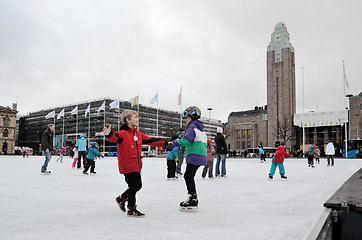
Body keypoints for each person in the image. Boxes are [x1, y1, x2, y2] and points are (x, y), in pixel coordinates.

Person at [103, 110, 168, 217]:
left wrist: (165, 143)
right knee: (133, 186)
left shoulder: (138, 134)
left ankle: (122, 198)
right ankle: (131, 209)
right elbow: (114, 137)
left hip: (136, 165)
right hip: (127, 165)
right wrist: (109, 134)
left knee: (138, 185)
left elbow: (151, 140)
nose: (137, 119)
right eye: (135, 117)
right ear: (128, 120)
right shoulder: (123, 134)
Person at [169, 106, 207, 211]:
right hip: (201, 155)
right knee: (189, 176)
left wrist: (173, 144)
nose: (185, 120)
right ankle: (192, 197)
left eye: (186, 118)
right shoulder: (201, 129)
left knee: (188, 176)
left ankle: (193, 199)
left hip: (195, 155)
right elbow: (205, 144)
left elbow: (186, 140)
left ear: (191, 116)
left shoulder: (192, 127)